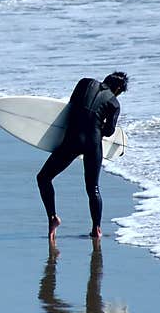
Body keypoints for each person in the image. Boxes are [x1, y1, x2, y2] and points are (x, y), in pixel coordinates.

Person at [36, 71, 128, 240]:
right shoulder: (114, 103)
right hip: (93, 143)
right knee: (93, 189)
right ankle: (96, 229)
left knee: (44, 178)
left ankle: (53, 218)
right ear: (119, 89)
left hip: (72, 140)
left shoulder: (85, 83)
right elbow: (108, 131)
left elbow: (70, 107)